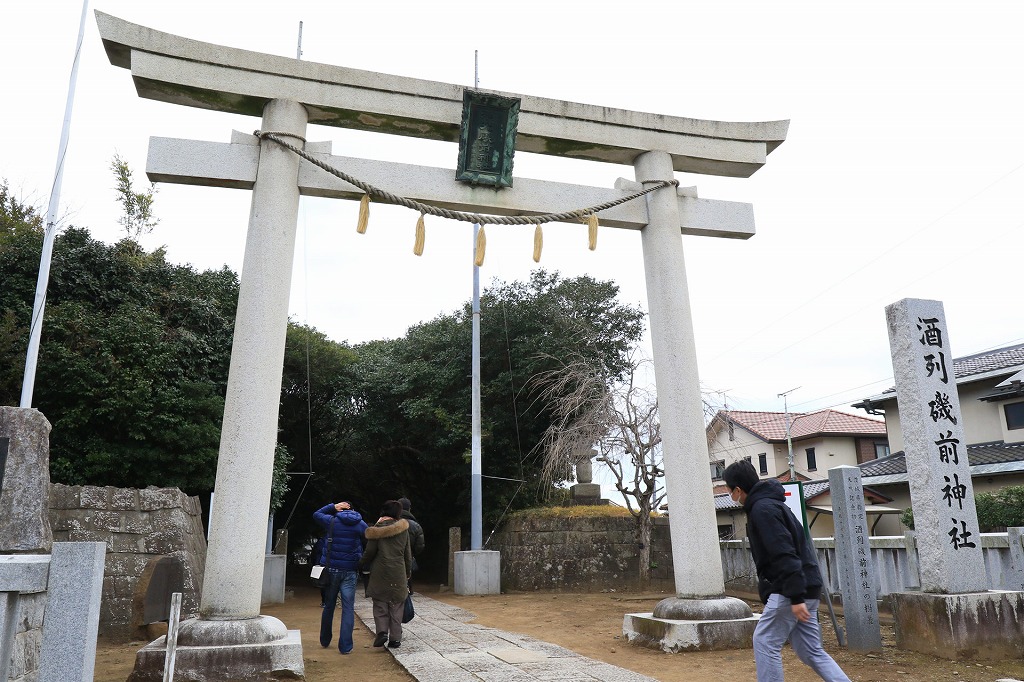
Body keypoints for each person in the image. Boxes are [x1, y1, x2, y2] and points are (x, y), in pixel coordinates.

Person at [722, 460, 851, 682]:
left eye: (729, 490)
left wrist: (795, 596)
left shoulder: (762, 510)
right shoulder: (773, 504)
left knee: (765, 641)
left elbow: (783, 552)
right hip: (806, 585)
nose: (731, 496)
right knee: (810, 650)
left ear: (738, 490)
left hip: (789, 590)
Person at [312, 500, 368, 655]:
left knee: (329, 605)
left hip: (331, 570)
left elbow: (316, 514)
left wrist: (332, 506)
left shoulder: (331, 521)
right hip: (350, 570)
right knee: (348, 608)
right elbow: (369, 536)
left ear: (340, 509)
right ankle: (345, 647)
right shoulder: (359, 523)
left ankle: (325, 639)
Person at [359, 499, 412, 649]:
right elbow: (407, 554)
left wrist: (361, 563)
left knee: (380, 604)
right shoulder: (403, 529)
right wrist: (407, 573)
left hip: (380, 571)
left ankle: (382, 632)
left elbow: (369, 552)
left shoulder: (377, 530)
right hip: (398, 571)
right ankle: (395, 639)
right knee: (396, 605)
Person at [397, 497, 425, 590]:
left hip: (392, 557)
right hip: (409, 555)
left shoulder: (391, 522)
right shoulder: (415, 525)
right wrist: (412, 553)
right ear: (409, 508)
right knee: (407, 575)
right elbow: (420, 545)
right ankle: (409, 590)